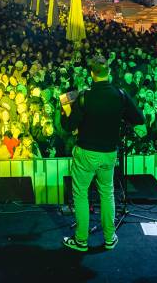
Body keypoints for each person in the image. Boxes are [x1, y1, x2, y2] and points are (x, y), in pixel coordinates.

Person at [60, 55, 144, 252]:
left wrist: (64, 110)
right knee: (107, 194)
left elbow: (69, 126)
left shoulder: (83, 96)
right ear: (109, 73)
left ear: (91, 74)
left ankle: (81, 240)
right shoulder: (120, 94)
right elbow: (139, 119)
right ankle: (109, 238)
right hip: (108, 153)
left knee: (81, 194)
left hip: (86, 153)